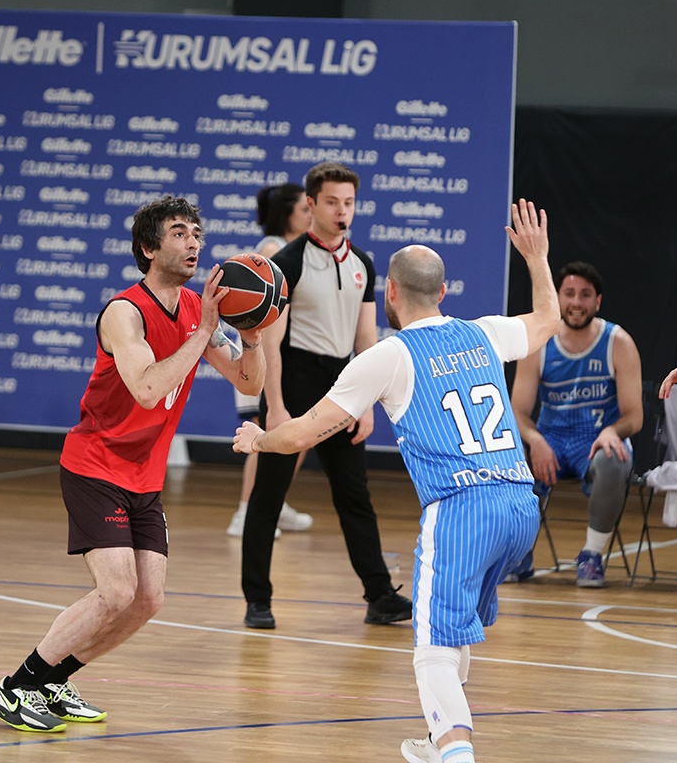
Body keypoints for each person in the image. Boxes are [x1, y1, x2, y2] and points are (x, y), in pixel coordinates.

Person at [234, 199, 559, 763]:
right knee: (454, 625)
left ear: (389, 294)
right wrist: (537, 258)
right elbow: (548, 319)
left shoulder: (388, 356)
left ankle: (456, 751)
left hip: (461, 509)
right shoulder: (484, 333)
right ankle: (437, 743)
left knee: (432, 648)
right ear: (444, 292)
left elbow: (303, 432)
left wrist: (258, 439)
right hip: (520, 504)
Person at [0, 196, 265, 733]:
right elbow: (147, 388)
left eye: (197, 234)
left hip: (144, 475)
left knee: (147, 601)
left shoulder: (195, 309)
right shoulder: (124, 312)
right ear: (148, 248)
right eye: (179, 233)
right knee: (115, 592)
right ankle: (16, 687)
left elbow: (250, 383)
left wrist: (252, 336)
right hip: (96, 465)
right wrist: (203, 332)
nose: (193, 242)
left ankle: (53, 681)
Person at [240, 162, 411, 630]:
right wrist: (276, 407)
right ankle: (258, 600)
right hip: (292, 380)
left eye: (349, 202)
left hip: (342, 384)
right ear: (311, 204)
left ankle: (380, 596)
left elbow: (366, 341)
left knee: (355, 495)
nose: (342, 211)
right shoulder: (287, 262)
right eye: (332, 202)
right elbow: (271, 344)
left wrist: (368, 405)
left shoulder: (363, 264)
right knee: (268, 496)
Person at [507, 261, 643, 586]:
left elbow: (634, 416)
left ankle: (592, 555)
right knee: (509, 457)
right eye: (569, 293)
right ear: (557, 298)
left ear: (598, 301)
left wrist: (611, 431)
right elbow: (518, 412)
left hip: (595, 438)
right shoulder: (539, 342)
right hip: (551, 437)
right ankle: (517, 554)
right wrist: (535, 440)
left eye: (585, 295)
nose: (576, 302)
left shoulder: (618, 342)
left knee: (614, 457)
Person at [227, 182, 313, 538]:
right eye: (304, 209)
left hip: (290, 358)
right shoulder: (273, 250)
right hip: (262, 355)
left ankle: (273, 504)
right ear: (287, 215)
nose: (311, 214)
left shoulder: (305, 250)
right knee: (262, 436)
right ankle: (246, 512)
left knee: (299, 436)